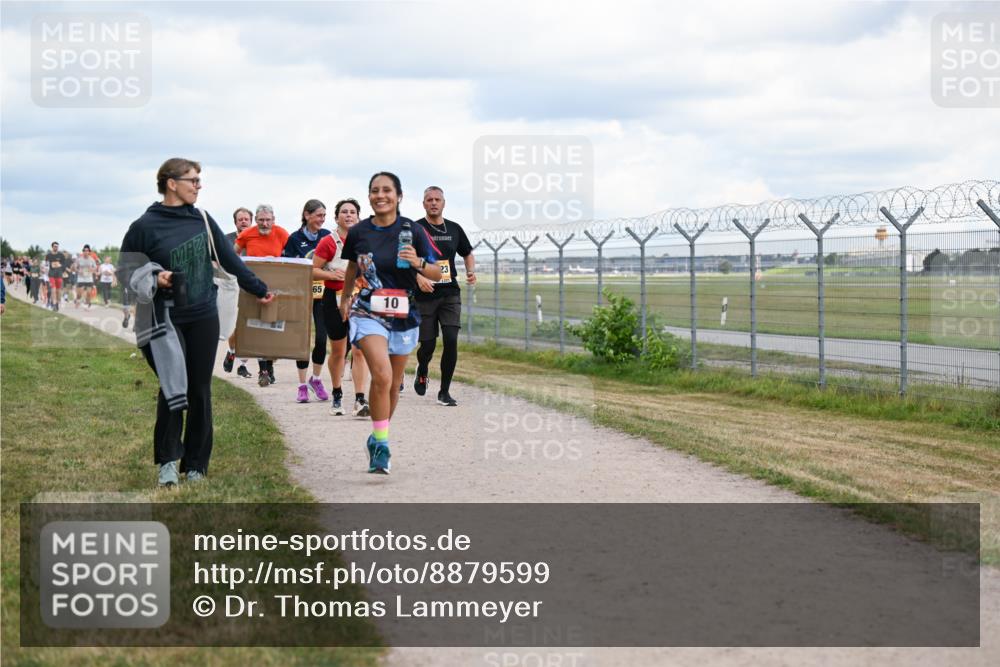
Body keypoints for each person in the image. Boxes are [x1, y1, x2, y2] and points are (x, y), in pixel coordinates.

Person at [119, 157, 273, 488]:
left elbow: (229, 259)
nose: (198, 186)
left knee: (200, 389)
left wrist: (259, 289)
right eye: (193, 180)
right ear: (171, 183)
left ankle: (197, 464)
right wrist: (157, 277)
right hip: (164, 320)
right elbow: (125, 271)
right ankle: (167, 463)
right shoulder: (144, 226)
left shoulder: (201, 219)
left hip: (203, 313)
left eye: (199, 180)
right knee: (173, 386)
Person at [339, 172, 441, 474]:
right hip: (368, 308)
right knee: (381, 376)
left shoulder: (413, 231)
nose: (380, 195)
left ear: (398, 196)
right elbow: (352, 266)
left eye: (386, 190)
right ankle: (382, 448)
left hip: (404, 311)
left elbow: (437, 273)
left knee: (393, 384)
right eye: (374, 190)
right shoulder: (359, 232)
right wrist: (346, 297)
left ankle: (376, 436)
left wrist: (418, 263)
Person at [412, 186, 476, 406]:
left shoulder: (455, 229)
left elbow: (467, 253)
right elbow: (403, 259)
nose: (433, 203)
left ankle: (444, 392)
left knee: (451, 339)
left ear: (443, 203)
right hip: (425, 295)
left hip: (450, 293)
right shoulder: (416, 228)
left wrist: (470, 271)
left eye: (437, 199)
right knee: (427, 345)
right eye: (429, 199)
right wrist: (418, 278)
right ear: (423, 204)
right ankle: (422, 368)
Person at [313, 198, 370, 416]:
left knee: (359, 350)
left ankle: (360, 399)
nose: (348, 215)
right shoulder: (329, 242)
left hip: (359, 298)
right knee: (338, 351)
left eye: (352, 212)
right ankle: (337, 395)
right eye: (344, 212)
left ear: (358, 217)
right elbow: (313, 270)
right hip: (333, 298)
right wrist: (330, 273)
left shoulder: (364, 242)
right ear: (337, 217)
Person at [283, 199, 332, 404]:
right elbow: (287, 265)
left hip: (323, 295)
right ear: (307, 215)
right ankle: (302, 385)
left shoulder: (327, 236)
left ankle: (316, 379)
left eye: (324, 215)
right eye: (319, 215)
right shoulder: (294, 239)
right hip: (302, 295)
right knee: (302, 340)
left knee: (321, 338)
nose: (322, 219)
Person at [235, 204, 289, 387]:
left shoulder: (281, 234)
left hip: (275, 287)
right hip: (253, 286)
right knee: (257, 326)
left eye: (268, 220)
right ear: (256, 220)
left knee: (272, 327)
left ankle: (269, 366)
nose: (264, 223)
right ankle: (263, 370)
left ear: (274, 220)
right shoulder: (247, 234)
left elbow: (290, 256)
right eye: (261, 220)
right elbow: (233, 254)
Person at [222, 207, 254, 378]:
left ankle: (242, 365)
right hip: (232, 287)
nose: (243, 221)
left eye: (246, 219)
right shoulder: (226, 239)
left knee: (249, 327)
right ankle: (231, 351)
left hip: (251, 287)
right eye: (240, 219)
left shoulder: (257, 239)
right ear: (235, 222)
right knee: (234, 326)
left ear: (251, 221)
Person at [74, 244, 98, 309]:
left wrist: (92, 270)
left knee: (89, 293)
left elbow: (95, 267)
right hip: (81, 278)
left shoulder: (92, 259)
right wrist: (79, 271)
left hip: (89, 278)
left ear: (89, 252)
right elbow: (75, 267)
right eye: (84, 251)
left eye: (87, 251)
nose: (86, 252)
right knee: (79, 294)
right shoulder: (79, 259)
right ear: (83, 251)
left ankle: (87, 304)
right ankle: (77, 300)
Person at [45, 242, 66, 311]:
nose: (56, 247)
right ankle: (54, 304)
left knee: (58, 291)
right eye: (54, 246)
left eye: (57, 246)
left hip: (59, 275)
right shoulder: (48, 255)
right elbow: (46, 265)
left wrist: (60, 265)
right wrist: (47, 269)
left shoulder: (61, 255)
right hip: (51, 274)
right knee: (53, 289)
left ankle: (57, 302)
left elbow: (64, 264)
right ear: (52, 247)